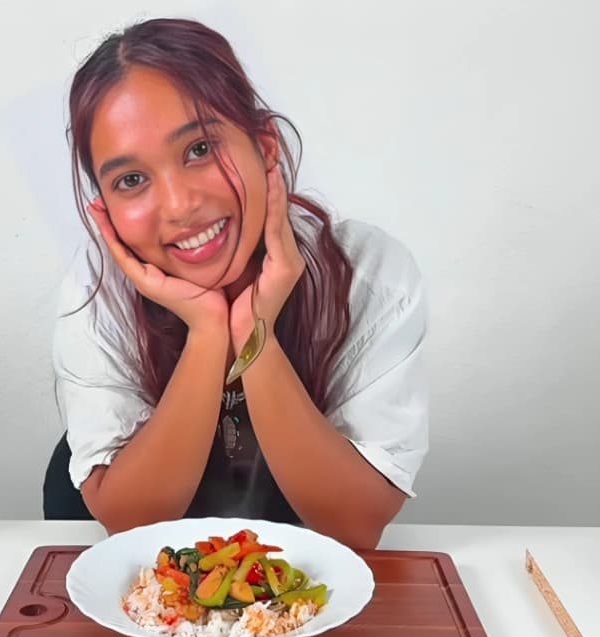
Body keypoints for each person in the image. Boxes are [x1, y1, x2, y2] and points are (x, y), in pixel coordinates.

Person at [53, 17, 428, 549]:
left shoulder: (368, 275)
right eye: (131, 180)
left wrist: (255, 330)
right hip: (153, 580)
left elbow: (356, 526)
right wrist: (208, 334)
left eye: (200, 149)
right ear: (105, 208)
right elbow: (130, 527)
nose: (179, 206)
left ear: (266, 147)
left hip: (305, 576)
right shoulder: (99, 292)